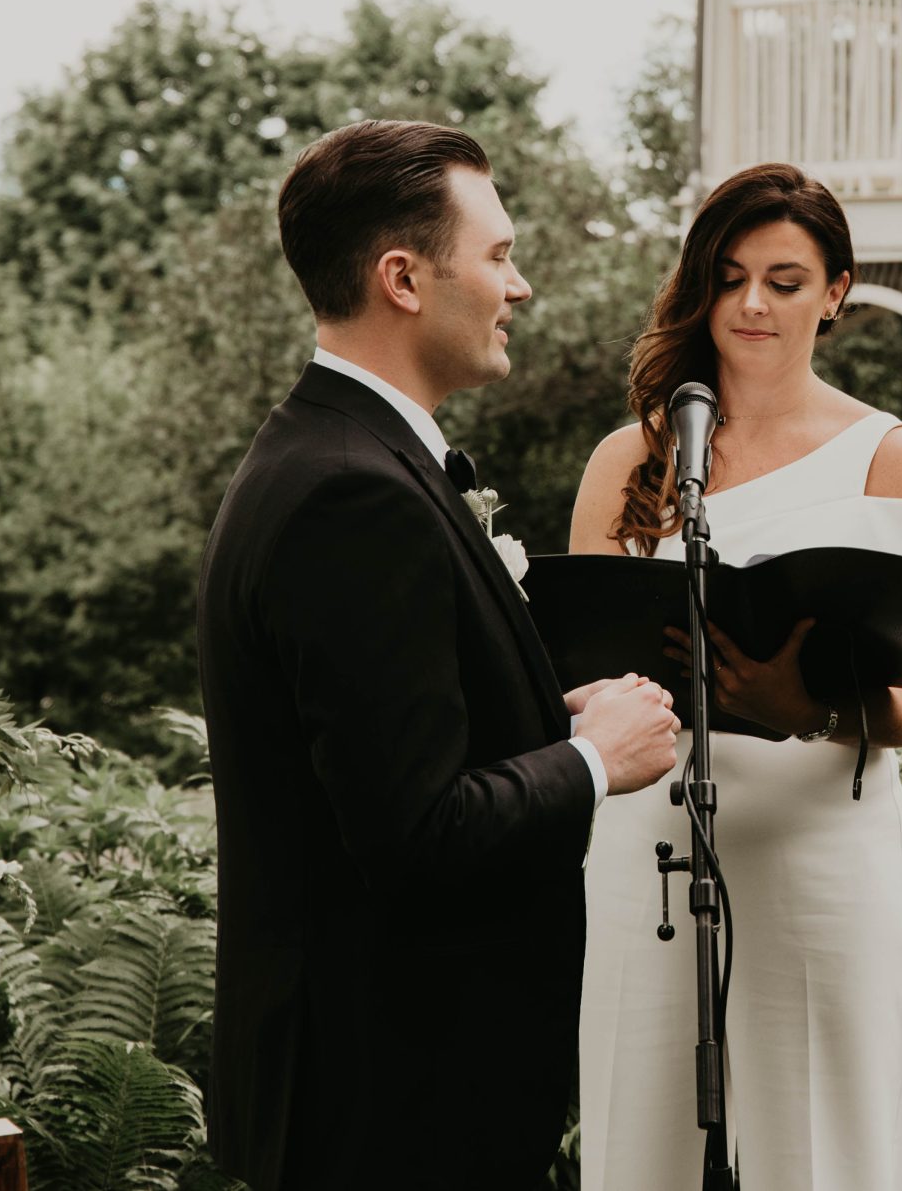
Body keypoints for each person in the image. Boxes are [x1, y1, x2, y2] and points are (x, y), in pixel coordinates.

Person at [196, 120, 681, 1191]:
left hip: (381, 1095)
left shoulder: (327, 452)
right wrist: (595, 759)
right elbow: (415, 832)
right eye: (498, 254)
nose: (520, 285)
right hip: (391, 1108)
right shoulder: (352, 495)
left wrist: (543, 717)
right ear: (404, 278)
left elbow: (377, 759)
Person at [567, 162, 902, 1191]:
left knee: (823, 1162)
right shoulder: (625, 460)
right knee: (637, 1155)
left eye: (785, 281)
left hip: (817, 853)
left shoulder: (889, 455)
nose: (752, 303)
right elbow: (580, 667)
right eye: (730, 276)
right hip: (649, 849)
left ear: (835, 292)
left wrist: (804, 706)